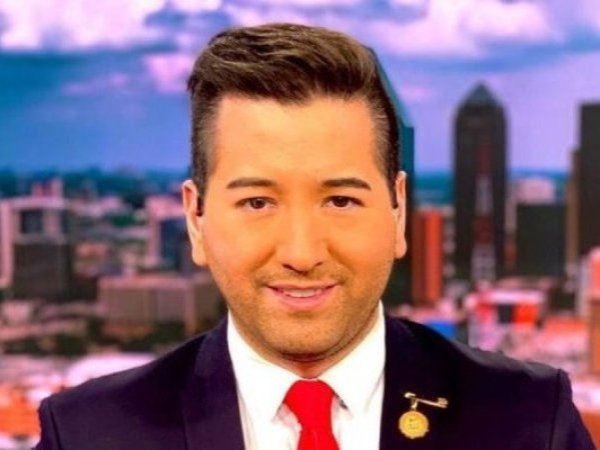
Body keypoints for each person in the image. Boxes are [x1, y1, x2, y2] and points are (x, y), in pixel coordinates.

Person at [35, 23, 593, 450]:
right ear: (196, 219)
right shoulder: (87, 434)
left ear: (398, 210)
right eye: (257, 202)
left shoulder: (529, 420)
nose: (302, 254)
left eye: (341, 200)